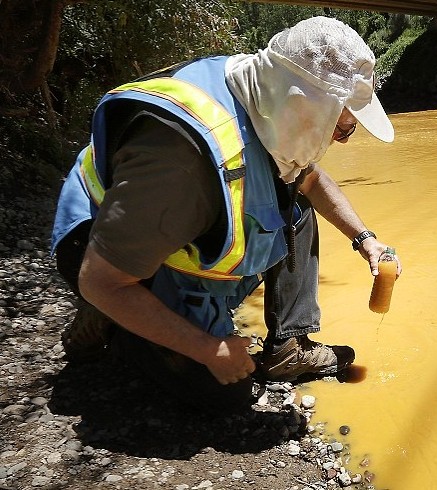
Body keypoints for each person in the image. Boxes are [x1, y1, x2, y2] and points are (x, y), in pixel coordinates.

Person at [50, 16, 402, 412]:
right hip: (107, 252)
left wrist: (365, 239)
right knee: (225, 395)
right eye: (341, 130)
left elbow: (309, 182)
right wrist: (209, 349)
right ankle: (113, 325)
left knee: (295, 207)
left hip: (165, 226)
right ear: (306, 112)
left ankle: (287, 346)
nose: (341, 139)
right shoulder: (179, 166)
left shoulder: (266, 96)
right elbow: (100, 280)